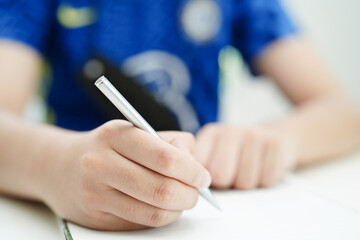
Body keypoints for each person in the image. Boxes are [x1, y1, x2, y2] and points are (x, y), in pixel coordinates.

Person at [1, 0, 359, 231]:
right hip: (72, 214)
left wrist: (278, 141)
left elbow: (343, 112)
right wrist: (55, 165)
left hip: (200, 202)